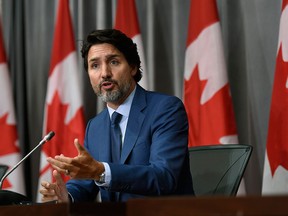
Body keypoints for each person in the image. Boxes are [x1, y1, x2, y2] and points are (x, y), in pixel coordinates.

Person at [39, 29, 194, 203]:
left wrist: (100, 172)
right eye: (95, 65)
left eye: (113, 62)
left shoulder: (165, 109)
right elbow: (86, 182)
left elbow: (164, 177)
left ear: (133, 67)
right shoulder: (95, 126)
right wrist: (66, 195)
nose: (104, 73)